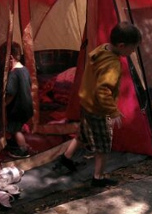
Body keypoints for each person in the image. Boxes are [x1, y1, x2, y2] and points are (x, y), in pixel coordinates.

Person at [58, 21, 142, 187]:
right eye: (133, 48)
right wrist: (113, 112)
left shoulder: (103, 48)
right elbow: (103, 90)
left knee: (83, 134)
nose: (133, 52)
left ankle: (65, 158)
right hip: (98, 108)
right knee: (103, 145)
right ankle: (98, 177)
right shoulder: (113, 64)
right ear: (122, 45)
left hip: (86, 103)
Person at [2, 42, 34, 159]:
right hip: (27, 106)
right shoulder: (25, 70)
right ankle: (19, 144)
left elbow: (10, 93)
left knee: (15, 130)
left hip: (18, 109)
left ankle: (23, 150)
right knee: (17, 127)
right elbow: (29, 84)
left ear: (10, 58)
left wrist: (4, 104)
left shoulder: (13, 74)